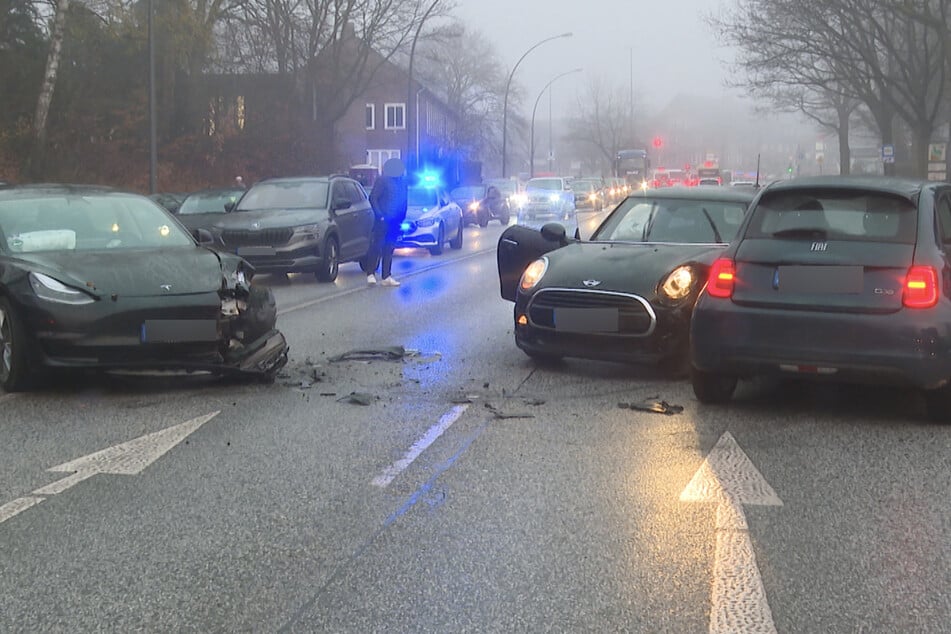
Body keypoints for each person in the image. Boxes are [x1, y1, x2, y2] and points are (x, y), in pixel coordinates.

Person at [366, 158, 408, 287]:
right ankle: (371, 273)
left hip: (395, 220)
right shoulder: (383, 181)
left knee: (389, 248)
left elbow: (404, 200)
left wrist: (402, 216)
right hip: (383, 219)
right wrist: (380, 215)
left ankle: (386, 276)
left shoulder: (402, 183)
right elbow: (373, 198)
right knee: (377, 245)